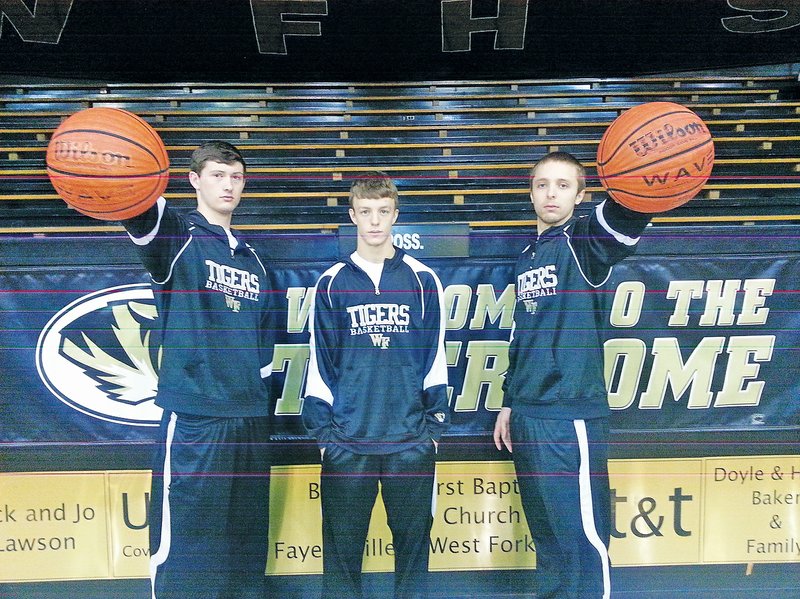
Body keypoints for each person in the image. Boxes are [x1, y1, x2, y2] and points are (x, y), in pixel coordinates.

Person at [121, 141, 277, 599]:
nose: (228, 185)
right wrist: (120, 172)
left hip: (248, 421)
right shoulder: (177, 235)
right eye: (217, 175)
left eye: (236, 177)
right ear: (194, 180)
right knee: (188, 553)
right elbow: (139, 211)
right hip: (196, 420)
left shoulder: (255, 259)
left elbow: (263, 349)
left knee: (244, 550)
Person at [493, 152, 651, 599]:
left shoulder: (583, 242)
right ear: (530, 191)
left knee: (583, 538)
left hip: (571, 416)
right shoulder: (528, 256)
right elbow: (524, 334)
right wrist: (510, 400)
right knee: (548, 538)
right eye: (542, 184)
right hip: (528, 413)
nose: (551, 193)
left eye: (563, 185)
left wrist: (647, 176)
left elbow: (628, 213)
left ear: (581, 195)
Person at [302, 172, 449, 599]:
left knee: (413, 556)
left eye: (383, 212)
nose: (374, 222)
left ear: (395, 216)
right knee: (342, 559)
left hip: (409, 442)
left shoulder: (423, 280)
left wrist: (433, 430)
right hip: (348, 443)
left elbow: (434, 357)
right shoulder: (331, 283)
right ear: (352, 216)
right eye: (365, 212)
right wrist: (326, 436)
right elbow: (320, 361)